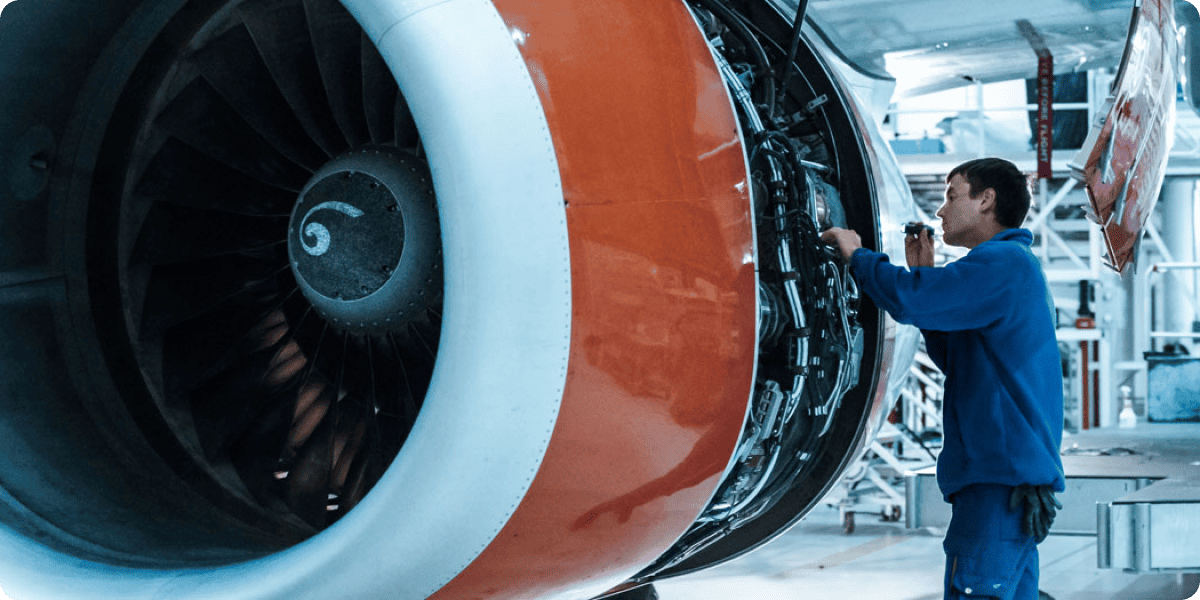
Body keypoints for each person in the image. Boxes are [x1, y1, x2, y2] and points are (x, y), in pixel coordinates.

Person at [821, 158, 1065, 600]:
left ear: (986, 200)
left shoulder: (1001, 263)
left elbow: (910, 300)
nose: (940, 211)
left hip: (998, 484)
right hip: (1004, 481)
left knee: (979, 592)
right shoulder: (1007, 267)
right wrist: (928, 278)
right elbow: (957, 357)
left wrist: (857, 255)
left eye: (952, 196)